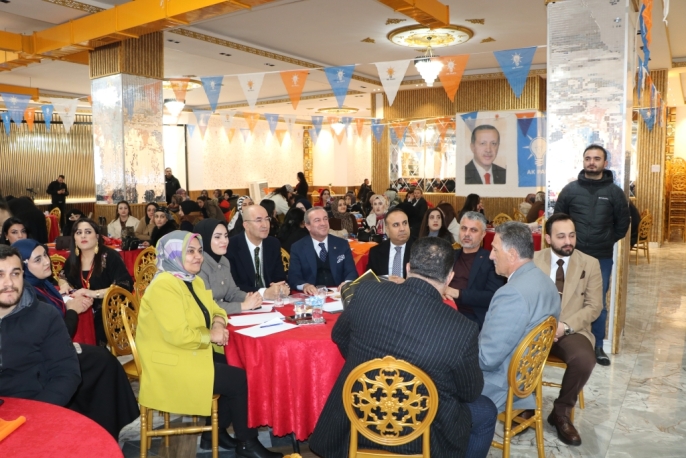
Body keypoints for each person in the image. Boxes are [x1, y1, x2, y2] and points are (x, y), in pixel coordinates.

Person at [310, 237, 496, 458]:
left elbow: (339, 336)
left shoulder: (366, 292)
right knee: (486, 410)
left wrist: (374, 371)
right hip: (420, 432)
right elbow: (470, 391)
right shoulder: (462, 329)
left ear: (408, 268)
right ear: (449, 278)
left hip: (360, 414)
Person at [136, 231, 283, 457]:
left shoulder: (190, 280)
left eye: (199, 251)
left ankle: (215, 432)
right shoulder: (164, 285)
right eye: (190, 252)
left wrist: (218, 324)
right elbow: (179, 335)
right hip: (171, 364)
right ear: (173, 255)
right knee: (238, 379)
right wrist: (212, 336)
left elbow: (216, 309)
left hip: (190, 353)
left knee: (234, 365)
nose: (198, 257)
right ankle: (247, 443)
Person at [13, 239, 140, 438]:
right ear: (23, 267)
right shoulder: (27, 295)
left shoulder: (43, 285)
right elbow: (59, 332)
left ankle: (105, 428)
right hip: (44, 360)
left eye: (45, 255)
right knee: (101, 365)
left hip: (56, 348)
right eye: (38, 259)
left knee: (103, 360)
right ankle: (99, 429)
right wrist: (71, 310)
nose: (46, 261)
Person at [554, 144, 630, 366]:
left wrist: (606, 240)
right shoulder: (570, 190)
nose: (591, 162)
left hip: (600, 257)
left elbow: (622, 224)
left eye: (596, 159)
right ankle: (562, 339)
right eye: (588, 158)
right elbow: (558, 220)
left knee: (597, 303)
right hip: (571, 255)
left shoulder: (614, 193)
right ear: (583, 161)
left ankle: (597, 345)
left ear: (605, 163)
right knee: (564, 297)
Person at [532, 213, 602, 446]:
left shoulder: (590, 263)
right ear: (548, 238)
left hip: (572, 329)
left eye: (571, 235)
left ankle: (561, 413)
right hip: (537, 327)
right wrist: (541, 326)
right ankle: (525, 404)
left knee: (585, 360)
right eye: (561, 236)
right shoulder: (533, 260)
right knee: (512, 349)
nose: (568, 242)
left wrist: (565, 326)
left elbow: (594, 307)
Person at [479, 221, 560, 412]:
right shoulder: (547, 283)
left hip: (501, 385)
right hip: (527, 378)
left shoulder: (511, 294)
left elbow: (486, 359)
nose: (491, 256)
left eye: (495, 249)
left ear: (512, 254)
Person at [0, 245, 81, 406]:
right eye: (0, 275)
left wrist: (36, 411)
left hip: (32, 405)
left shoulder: (45, 316)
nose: (9, 283)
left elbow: (66, 373)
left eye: (15, 273)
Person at [58, 218, 133, 346]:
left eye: (88, 232)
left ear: (97, 236)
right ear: (74, 238)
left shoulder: (110, 256)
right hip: (83, 309)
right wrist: (64, 284)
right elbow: (62, 276)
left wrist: (92, 293)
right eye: (78, 233)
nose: (83, 236)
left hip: (110, 311)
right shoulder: (73, 259)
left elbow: (125, 285)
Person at [445, 212, 504, 329]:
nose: (467, 234)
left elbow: (492, 296)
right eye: (464, 228)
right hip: (444, 310)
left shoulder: (491, 260)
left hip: (471, 317)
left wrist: (458, 293)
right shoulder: (450, 255)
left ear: (483, 234)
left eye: (473, 230)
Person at [195, 219, 264, 314]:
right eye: (217, 237)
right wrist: (243, 305)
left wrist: (249, 297)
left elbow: (231, 292)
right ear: (204, 239)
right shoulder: (197, 265)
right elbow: (207, 305)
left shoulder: (224, 261)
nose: (225, 241)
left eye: (226, 236)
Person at [288, 207, 358, 294]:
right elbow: (294, 277)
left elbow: (351, 271)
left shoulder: (342, 244)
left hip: (338, 294)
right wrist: (305, 286)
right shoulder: (298, 247)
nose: (323, 223)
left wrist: (347, 283)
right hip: (312, 296)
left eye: (325, 219)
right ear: (308, 226)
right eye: (317, 220)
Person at [227, 205, 288, 295]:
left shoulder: (273, 244)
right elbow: (234, 285)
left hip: (272, 299)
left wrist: (281, 287)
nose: (265, 225)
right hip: (245, 299)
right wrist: (264, 292)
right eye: (259, 220)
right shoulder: (231, 246)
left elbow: (279, 277)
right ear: (246, 225)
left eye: (267, 219)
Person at [366, 208, 413, 282]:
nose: (402, 229)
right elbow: (369, 280)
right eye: (396, 225)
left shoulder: (421, 250)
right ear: (387, 229)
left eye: (405, 223)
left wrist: (406, 283)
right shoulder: (375, 252)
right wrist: (385, 280)